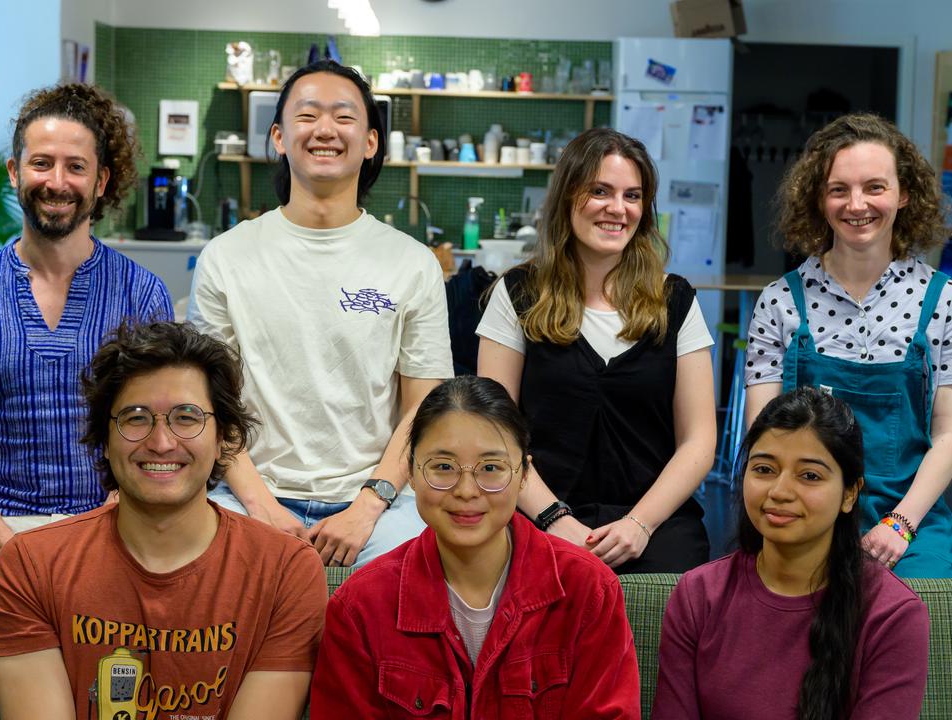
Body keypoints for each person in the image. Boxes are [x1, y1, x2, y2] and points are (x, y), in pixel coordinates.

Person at [0, 321, 326, 720]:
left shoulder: (287, 570)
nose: (161, 442)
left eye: (186, 416)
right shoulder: (33, 562)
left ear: (222, 438)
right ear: (104, 441)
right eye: (136, 418)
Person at [188, 60, 452, 568]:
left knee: (414, 588)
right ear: (280, 138)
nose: (325, 130)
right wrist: (261, 505)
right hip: (245, 494)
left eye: (344, 117)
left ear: (372, 141)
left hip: (379, 501)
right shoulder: (226, 257)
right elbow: (207, 400)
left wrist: (369, 505)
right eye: (307, 115)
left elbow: (424, 406)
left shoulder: (411, 263)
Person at [0, 83, 173, 551]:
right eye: (41, 163)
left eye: (75, 167)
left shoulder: (143, 295)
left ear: (100, 181)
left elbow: (155, 427)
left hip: (114, 525)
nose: (57, 182)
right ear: (14, 173)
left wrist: (119, 513)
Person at [310, 375, 639, 718]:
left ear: (524, 475)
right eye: (443, 467)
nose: (467, 490)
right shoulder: (360, 605)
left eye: (491, 468)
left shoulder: (587, 589)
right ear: (411, 471)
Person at [477, 127, 715, 573]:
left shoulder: (676, 300)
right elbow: (493, 435)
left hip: (656, 519)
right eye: (599, 191)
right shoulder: (517, 294)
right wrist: (554, 518)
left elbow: (699, 441)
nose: (617, 209)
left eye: (632, 196)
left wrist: (639, 524)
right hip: (536, 511)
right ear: (568, 197)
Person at [744, 113, 952, 578]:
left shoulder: (944, 300)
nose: (857, 204)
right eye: (838, 189)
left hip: (908, 518)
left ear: (904, 194)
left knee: (931, 612)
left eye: (875, 187)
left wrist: (900, 525)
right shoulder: (780, 301)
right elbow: (762, 439)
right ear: (819, 199)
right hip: (802, 514)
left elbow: (950, 435)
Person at [654, 387, 930, 719]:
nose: (779, 491)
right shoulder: (698, 595)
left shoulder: (892, 614)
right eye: (764, 469)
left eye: (809, 476)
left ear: (849, 494)